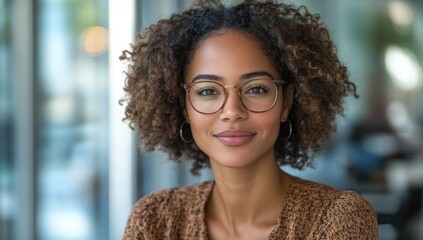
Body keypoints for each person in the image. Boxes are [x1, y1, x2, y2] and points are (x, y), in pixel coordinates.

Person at [120, 0, 378, 239]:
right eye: (208, 90)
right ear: (184, 107)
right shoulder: (154, 220)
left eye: (256, 88)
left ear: (286, 103)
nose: (232, 111)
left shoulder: (335, 219)